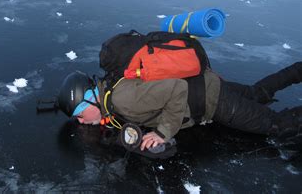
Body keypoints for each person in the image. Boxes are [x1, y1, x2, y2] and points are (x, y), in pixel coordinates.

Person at [57, 63, 302, 151]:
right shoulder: (110, 90)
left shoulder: (122, 99)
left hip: (212, 101)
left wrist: (163, 132)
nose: (80, 121)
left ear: (91, 99)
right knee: (255, 93)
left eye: (79, 114)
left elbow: (176, 89)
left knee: (278, 125)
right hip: (206, 82)